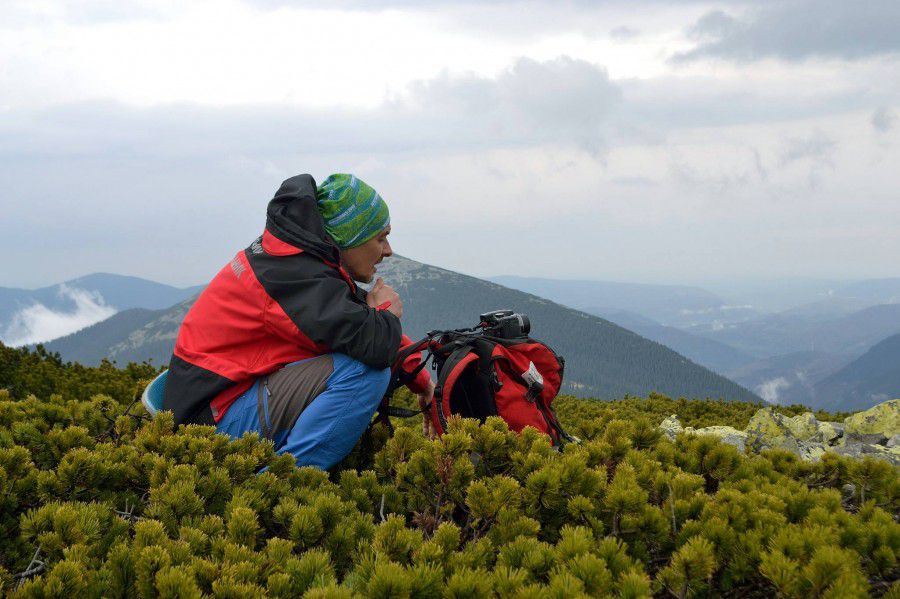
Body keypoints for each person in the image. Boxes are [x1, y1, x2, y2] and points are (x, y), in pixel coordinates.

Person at [163, 173, 434, 469]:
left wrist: (423, 383)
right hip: (209, 425)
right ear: (349, 238)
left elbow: (352, 325)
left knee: (357, 356)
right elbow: (375, 346)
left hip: (211, 402)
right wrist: (383, 313)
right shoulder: (294, 279)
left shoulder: (300, 261)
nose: (388, 250)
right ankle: (283, 486)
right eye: (380, 237)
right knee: (367, 371)